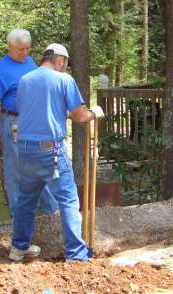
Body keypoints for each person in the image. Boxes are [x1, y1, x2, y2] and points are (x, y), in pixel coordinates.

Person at [8, 43, 104, 262]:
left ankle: (19, 248)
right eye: (65, 63)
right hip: (50, 151)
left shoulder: (25, 80)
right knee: (68, 200)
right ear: (59, 59)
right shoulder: (64, 80)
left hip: (24, 148)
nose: (65, 67)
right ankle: (76, 255)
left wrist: (63, 114)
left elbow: (35, 111)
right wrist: (93, 113)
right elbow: (80, 116)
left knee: (26, 201)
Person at [0, 29, 59, 217]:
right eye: (20, 50)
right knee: (17, 169)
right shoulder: (0, 69)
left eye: (27, 49)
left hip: (35, 121)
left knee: (40, 164)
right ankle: (20, 217)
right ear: (10, 47)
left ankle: (52, 211)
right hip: (13, 122)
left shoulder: (31, 63)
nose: (25, 53)